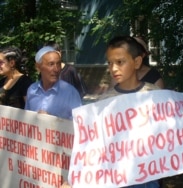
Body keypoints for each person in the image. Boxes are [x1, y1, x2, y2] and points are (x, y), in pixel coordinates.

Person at [60, 36, 160, 188]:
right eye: (110, 63)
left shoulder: (155, 95)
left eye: (120, 62)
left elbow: (169, 135)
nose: (113, 69)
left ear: (137, 62)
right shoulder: (104, 102)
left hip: (147, 176)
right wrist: (76, 179)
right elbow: (93, 144)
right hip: (115, 177)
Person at [25, 46, 82, 120]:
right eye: (51, 64)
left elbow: (79, 123)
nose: (56, 69)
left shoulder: (70, 92)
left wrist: (53, 121)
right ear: (38, 67)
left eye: (58, 64)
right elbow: (27, 119)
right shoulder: (32, 90)